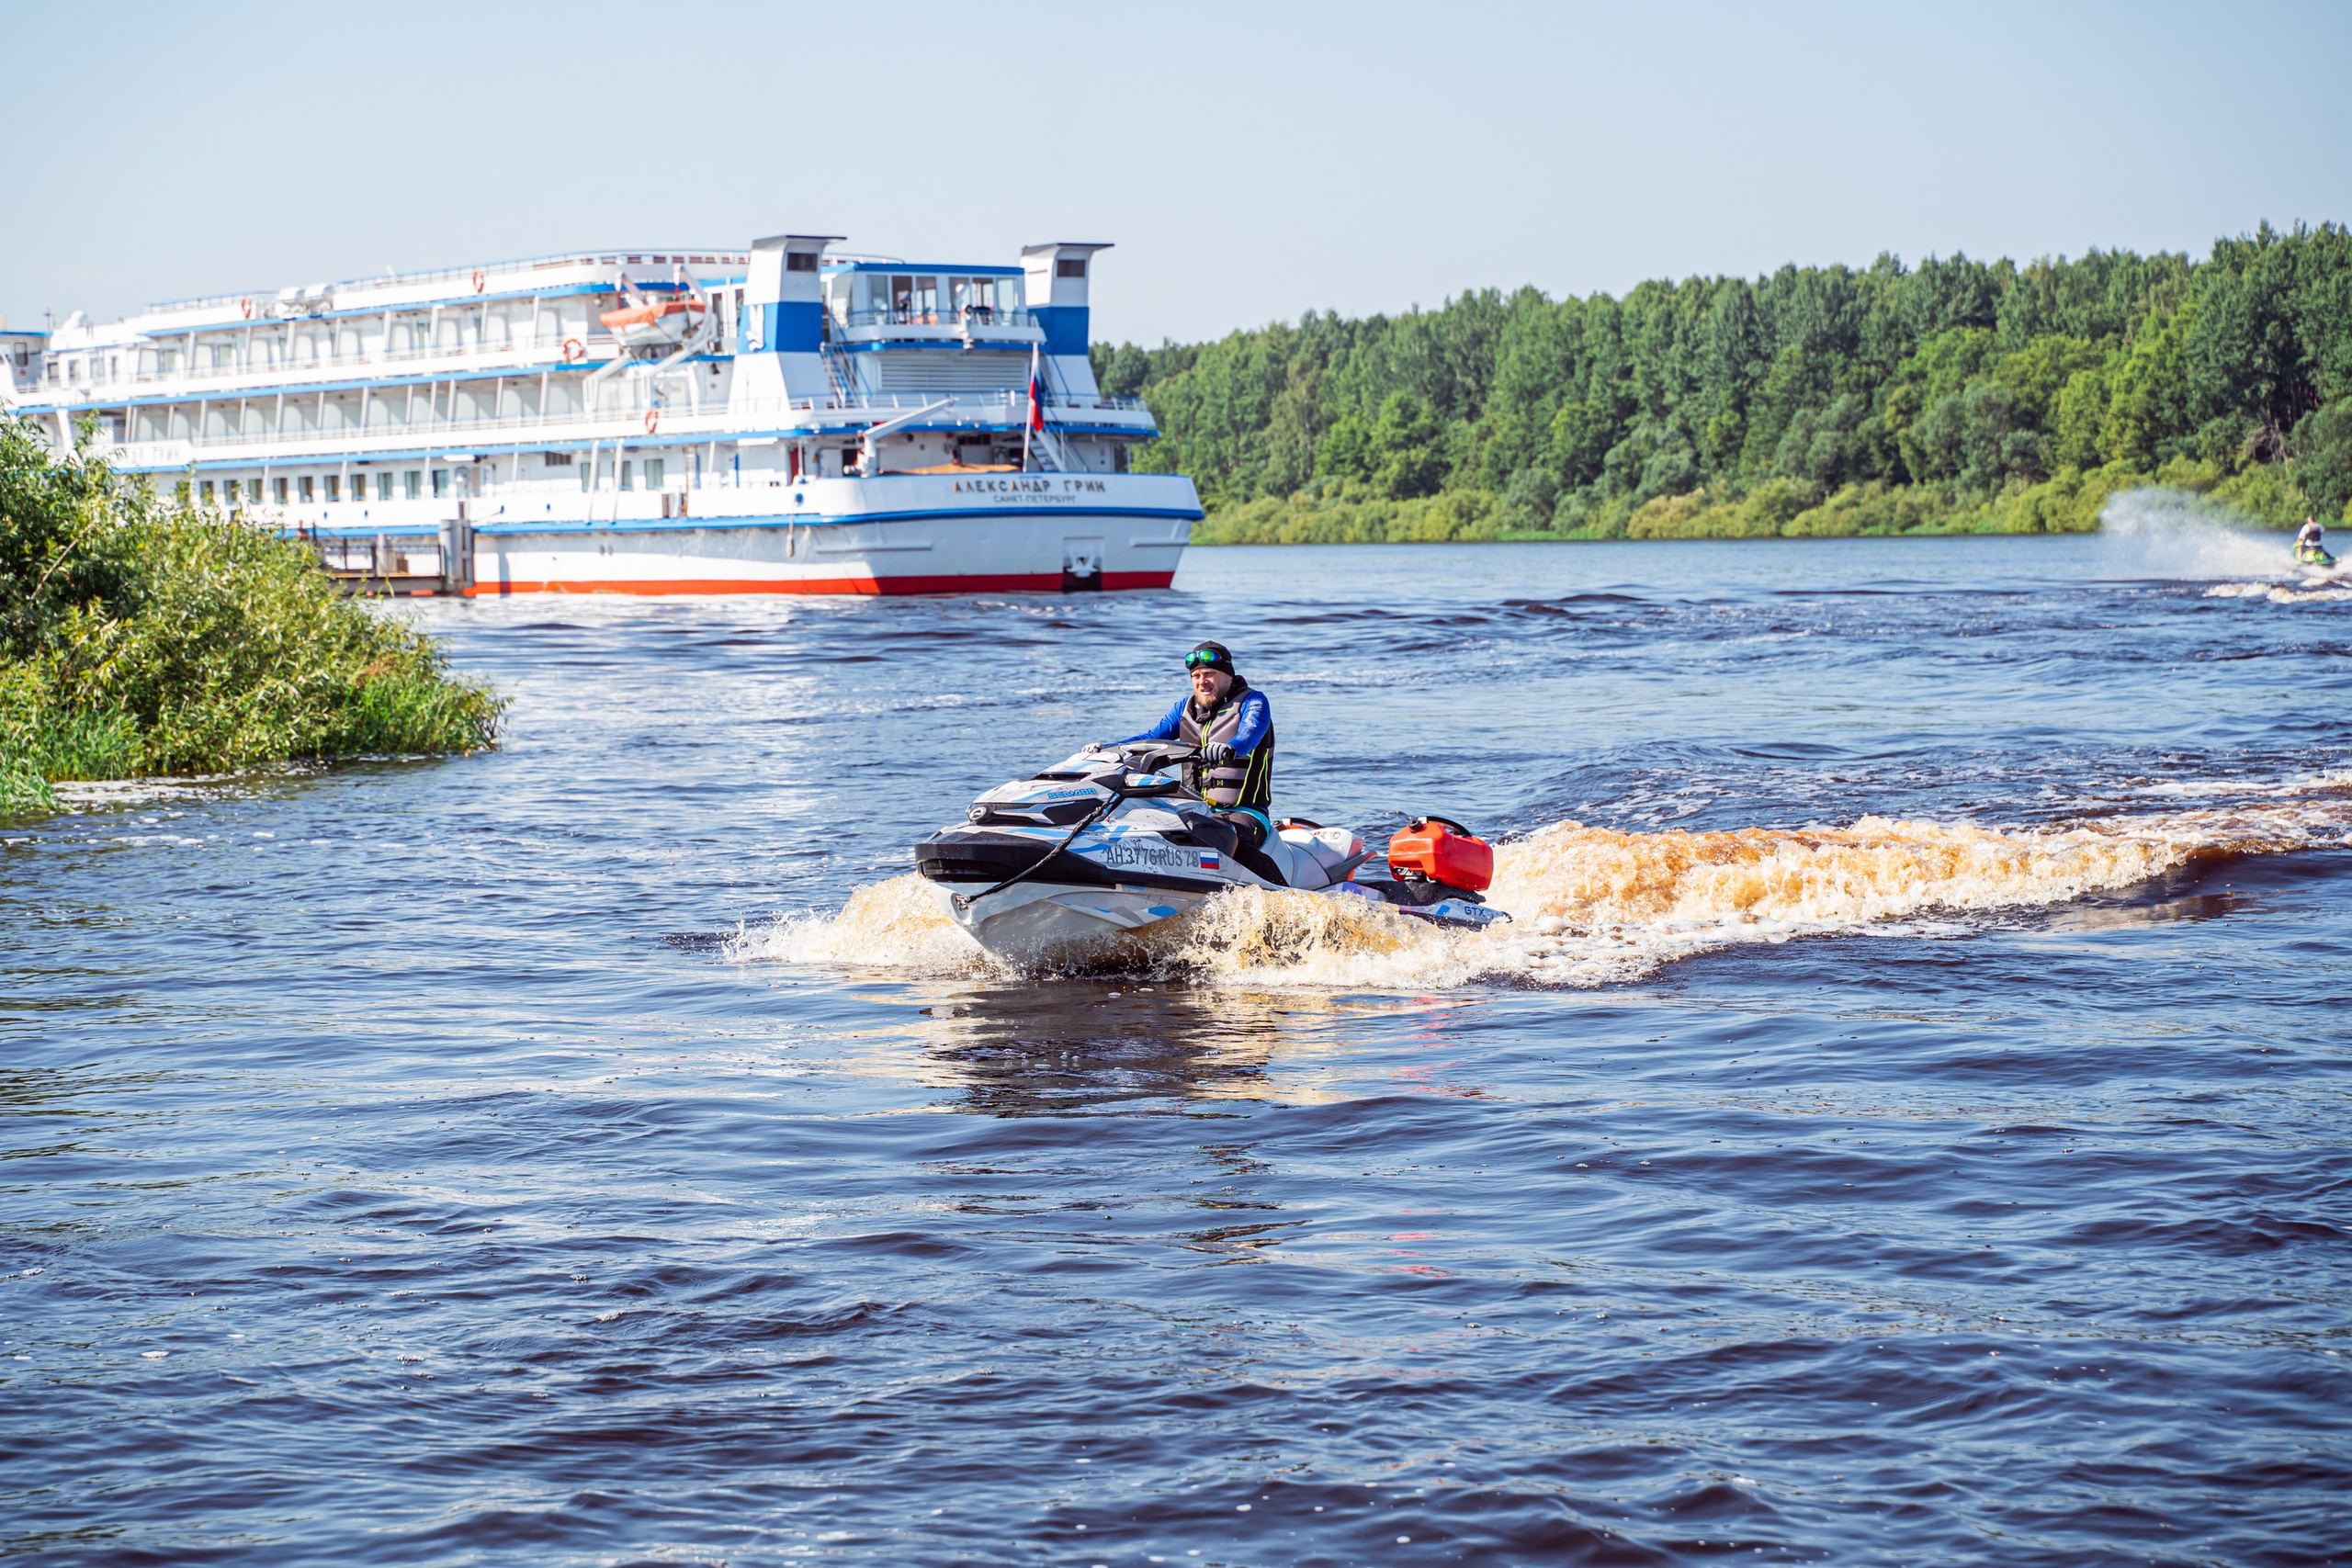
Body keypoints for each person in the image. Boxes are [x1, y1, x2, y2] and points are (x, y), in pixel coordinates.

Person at [1109, 640, 1281, 877]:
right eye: (1196, 675)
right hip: (1195, 809)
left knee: (1227, 838)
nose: (1202, 681)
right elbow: (1150, 738)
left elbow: (1249, 734)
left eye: (1209, 674)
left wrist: (1230, 748)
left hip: (1245, 813)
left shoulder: (1253, 702)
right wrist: (1108, 749)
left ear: (1228, 676)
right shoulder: (1184, 708)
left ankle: (1284, 896)